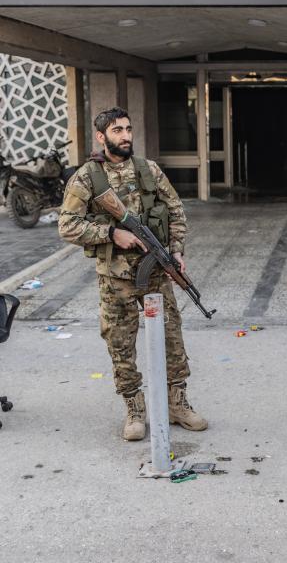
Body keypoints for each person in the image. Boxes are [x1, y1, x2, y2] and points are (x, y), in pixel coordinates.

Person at [59, 107, 207, 441]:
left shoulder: (149, 170)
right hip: (115, 279)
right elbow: (67, 225)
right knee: (120, 343)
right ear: (101, 136)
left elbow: (175, 211)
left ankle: (177, 402)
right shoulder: (87, 177)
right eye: (117, 130)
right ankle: (134, 407)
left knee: (172, 339)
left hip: (155, 275)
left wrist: (177, 250)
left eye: (128, 129)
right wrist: (112, 234)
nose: (126, 136)